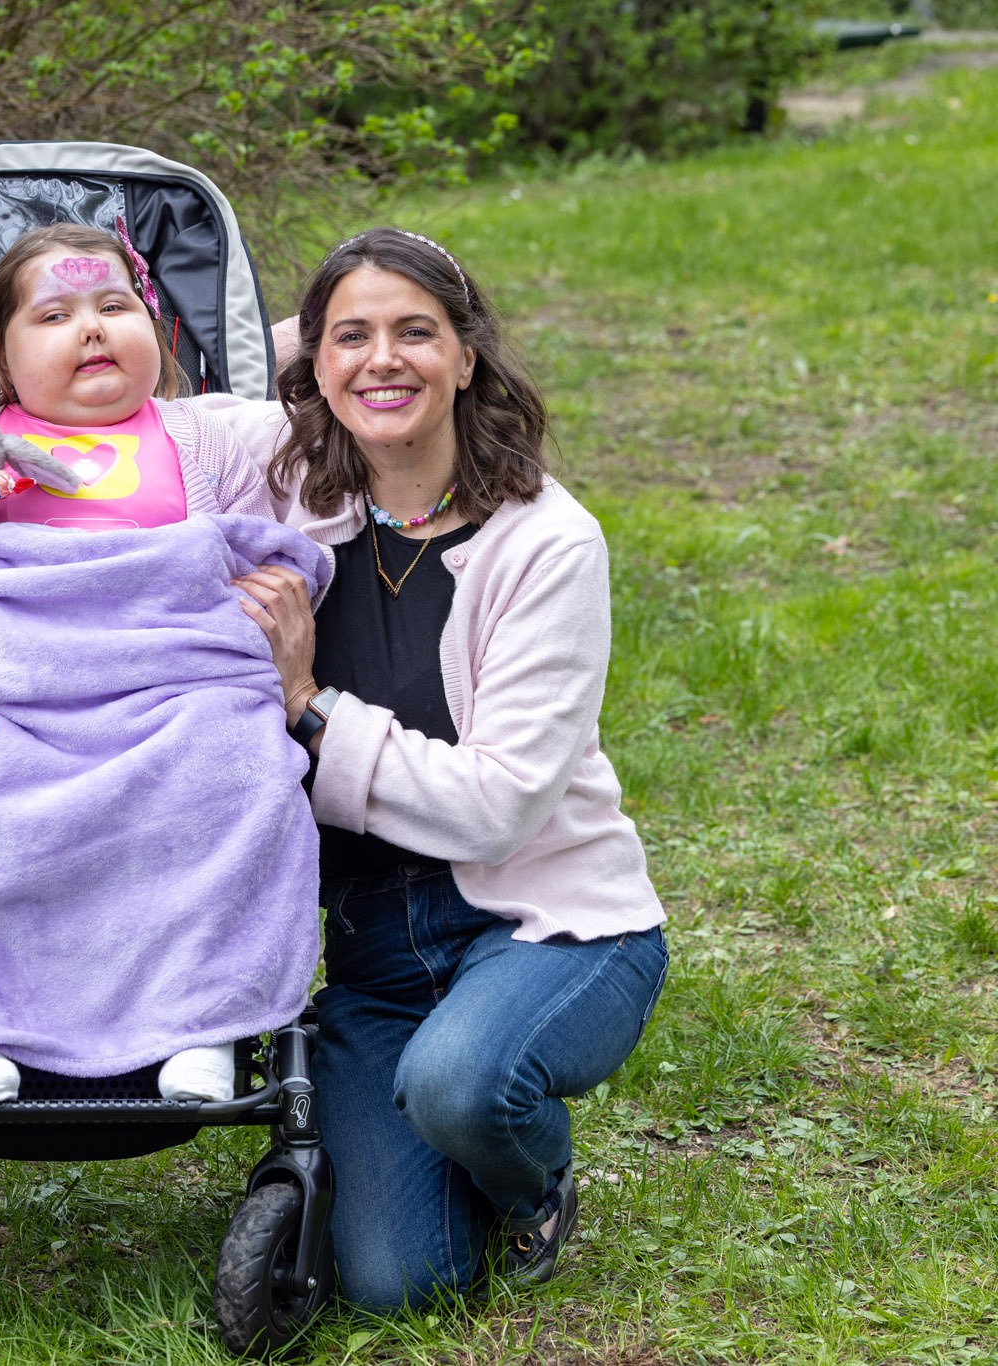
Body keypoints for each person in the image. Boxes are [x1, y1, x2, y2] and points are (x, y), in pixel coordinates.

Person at [228, 227, 668, 1308]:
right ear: (313, 364)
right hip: (377, 951)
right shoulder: (292, 505)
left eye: (415, 333)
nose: (382, 360)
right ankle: (427, 1132)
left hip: (545, 920)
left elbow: (496, 807)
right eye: (351, 338)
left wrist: (309, 707)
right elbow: (171, 400)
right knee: (397, 1285)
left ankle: (530, 1180)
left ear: (468, 356)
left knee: (461, 1083)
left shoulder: (545, 541)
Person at [0, 222, 283, 1107]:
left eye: (115, 306)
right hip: (15, 693)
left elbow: (263, 535)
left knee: (241, 764)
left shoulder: (200, 438)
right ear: (3, 362)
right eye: (54, 316)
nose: (91, 328)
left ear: (155, 332)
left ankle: (198, 1018)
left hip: (169, 692)